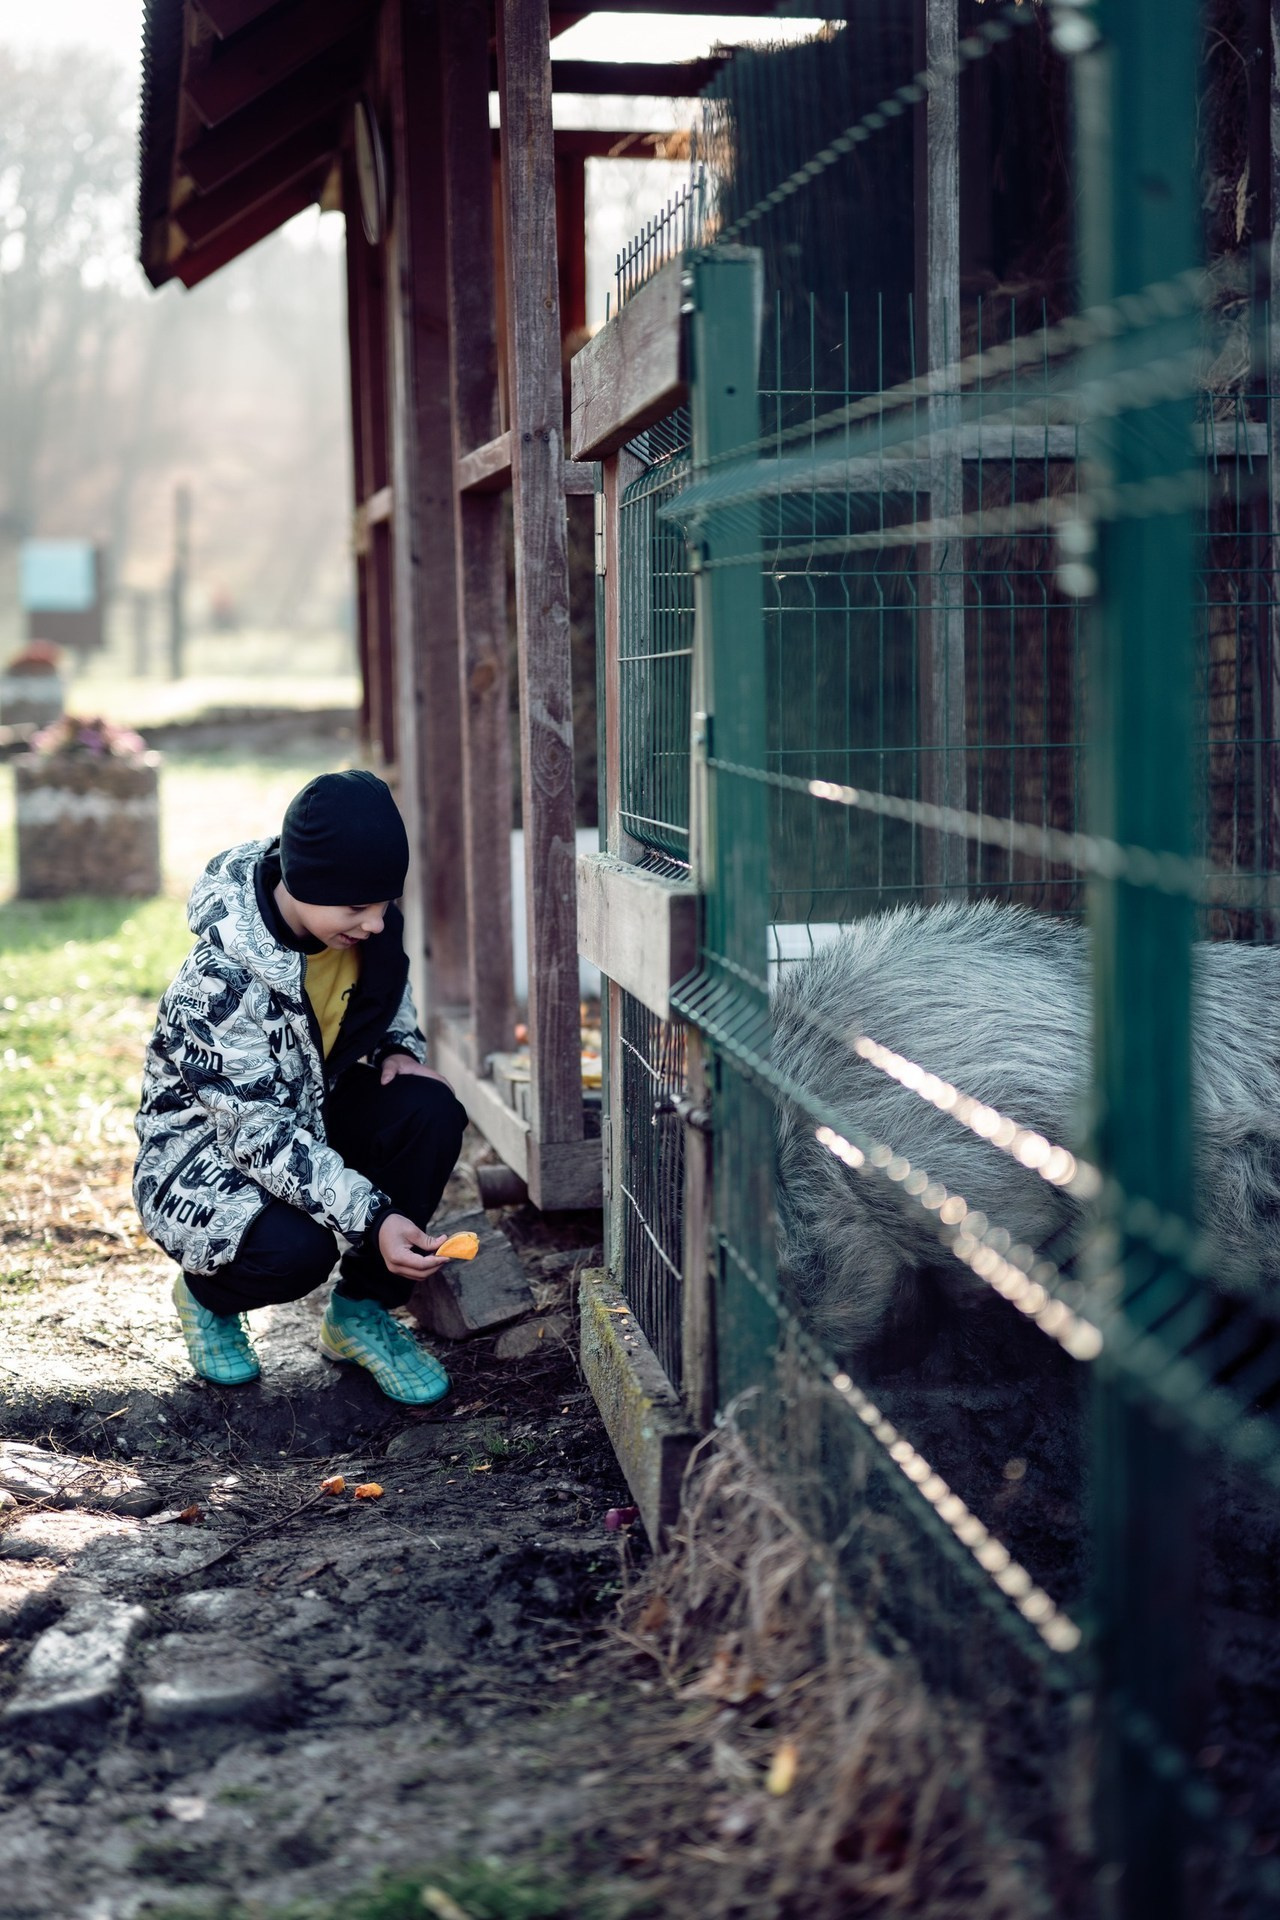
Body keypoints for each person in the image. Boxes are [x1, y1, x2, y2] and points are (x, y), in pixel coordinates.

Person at [133, 769, 468, 1406]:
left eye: (384, 904)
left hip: (311, 1108)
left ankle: (361, 1312)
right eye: (357, 909)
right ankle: (207, 1295)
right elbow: (257, 1136)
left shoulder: (359, 923)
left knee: (429, 1108)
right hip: (207, 1154)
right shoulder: (221, 981)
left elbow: (387, 992)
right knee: (297, 1254)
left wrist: (398, 1048)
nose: (375, 923)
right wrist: (374, 1217)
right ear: (304, 882)